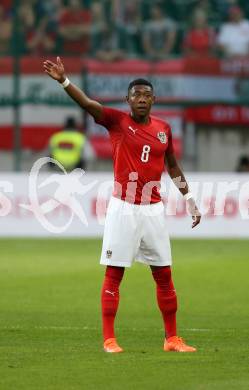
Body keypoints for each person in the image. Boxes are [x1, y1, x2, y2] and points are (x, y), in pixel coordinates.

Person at [43, 56, 201, 353]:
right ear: (127, 100)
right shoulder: (117, 121)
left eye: (146, 95)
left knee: (164, 275)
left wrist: (189, 200)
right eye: (136, 95)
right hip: (124, 208)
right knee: (115, 273)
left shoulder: (164, 128)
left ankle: (172, 339)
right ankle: (109, 339)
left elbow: (173, 167)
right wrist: (64, 81)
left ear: (154, 99)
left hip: (154, 210)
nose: (141, 99)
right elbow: (88, 104)